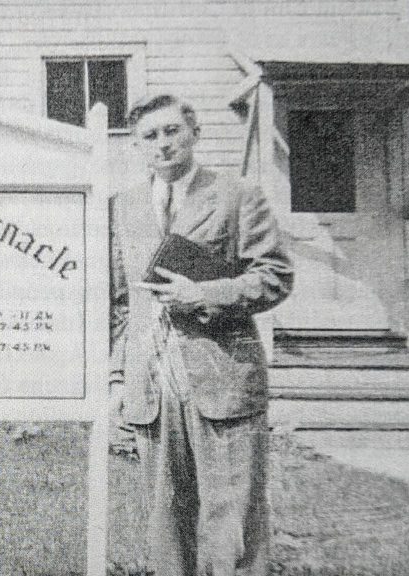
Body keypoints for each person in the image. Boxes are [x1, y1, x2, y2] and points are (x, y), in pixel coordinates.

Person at [109, 94, 293, 576]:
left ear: (194, 134)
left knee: (232, 520)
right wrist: (116, 377)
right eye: (150, 136)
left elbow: (275, 275)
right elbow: (120, 302)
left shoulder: (237, 196)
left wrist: (205, 293)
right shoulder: (124, 207)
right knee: (166, 518)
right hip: (152, 380)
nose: (163, 144)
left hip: (222, 373)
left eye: (172, 131)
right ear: (136, 145)